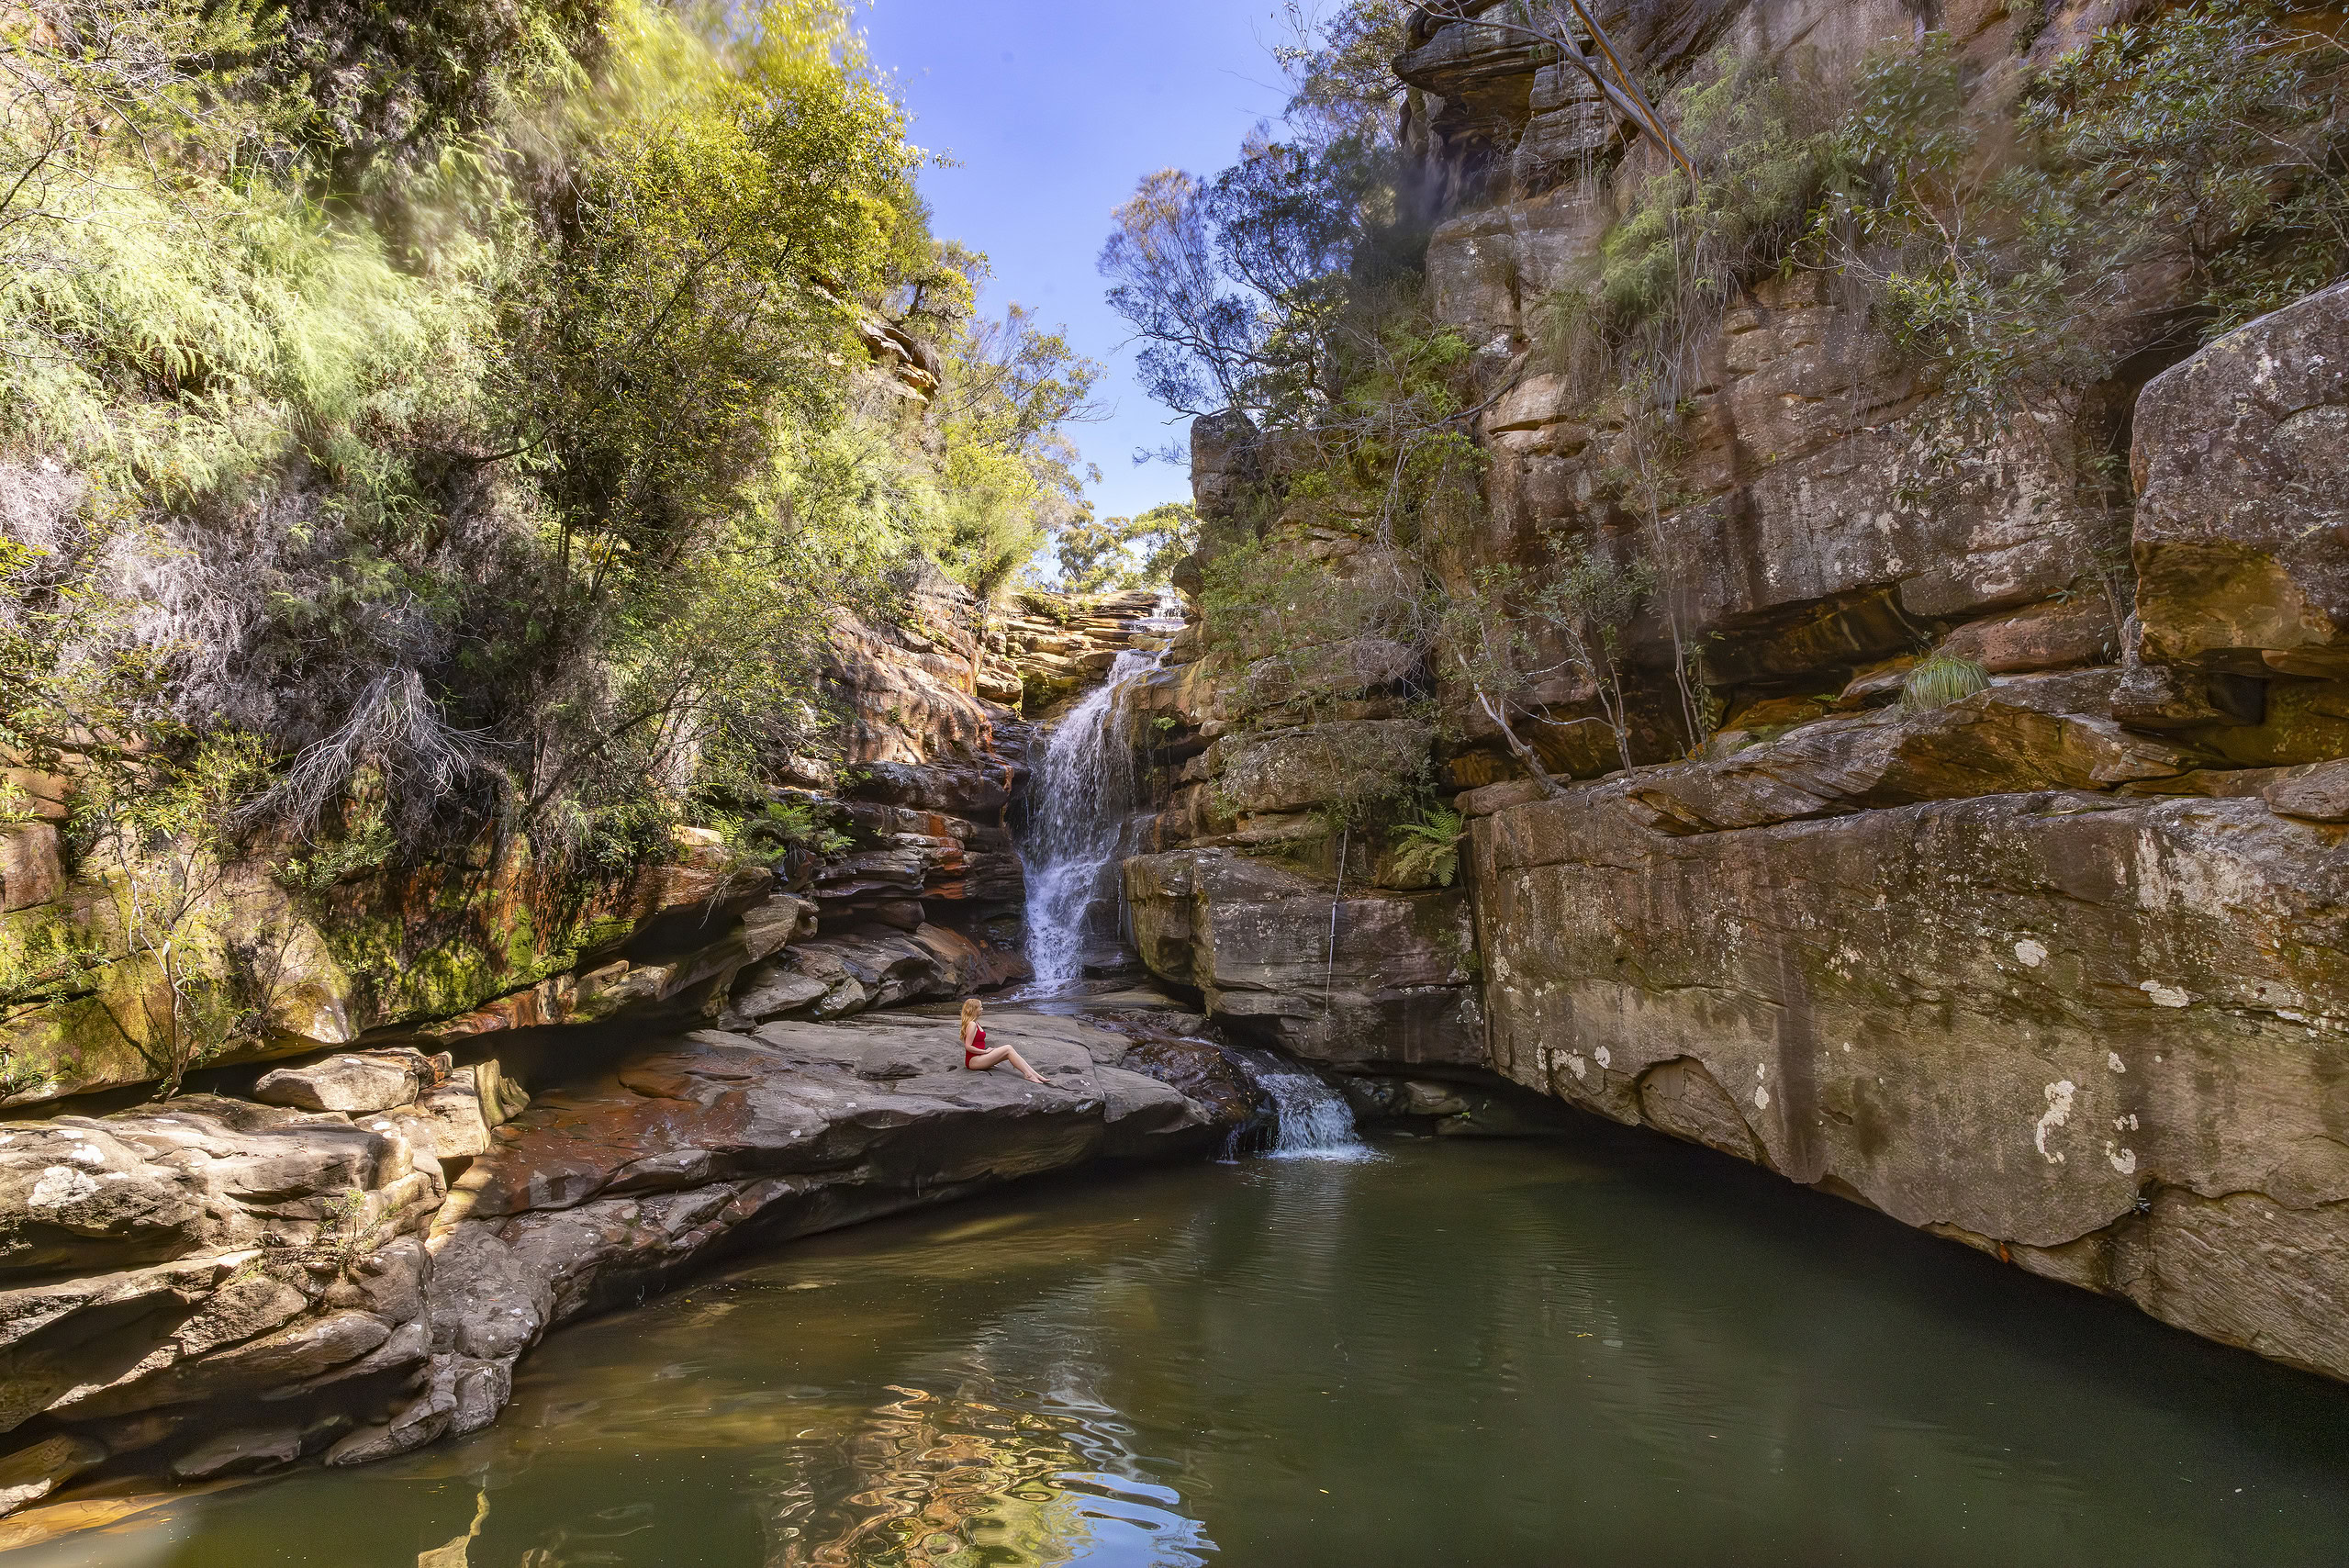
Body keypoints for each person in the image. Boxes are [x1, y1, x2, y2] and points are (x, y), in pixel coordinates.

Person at [959, 999, 1046, 1084]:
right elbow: (968, 1046)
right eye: (980, 1007)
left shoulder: (976, 1023)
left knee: (1010, 1052)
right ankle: (1028, 1075)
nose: (982, 1009)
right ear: (974, 1009)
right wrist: (985, 1052)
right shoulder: (972, 1024)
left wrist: (986, 1053)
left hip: (979, 1057)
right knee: (1008, 1048)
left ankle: (1035, 1074)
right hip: (973, 1061)